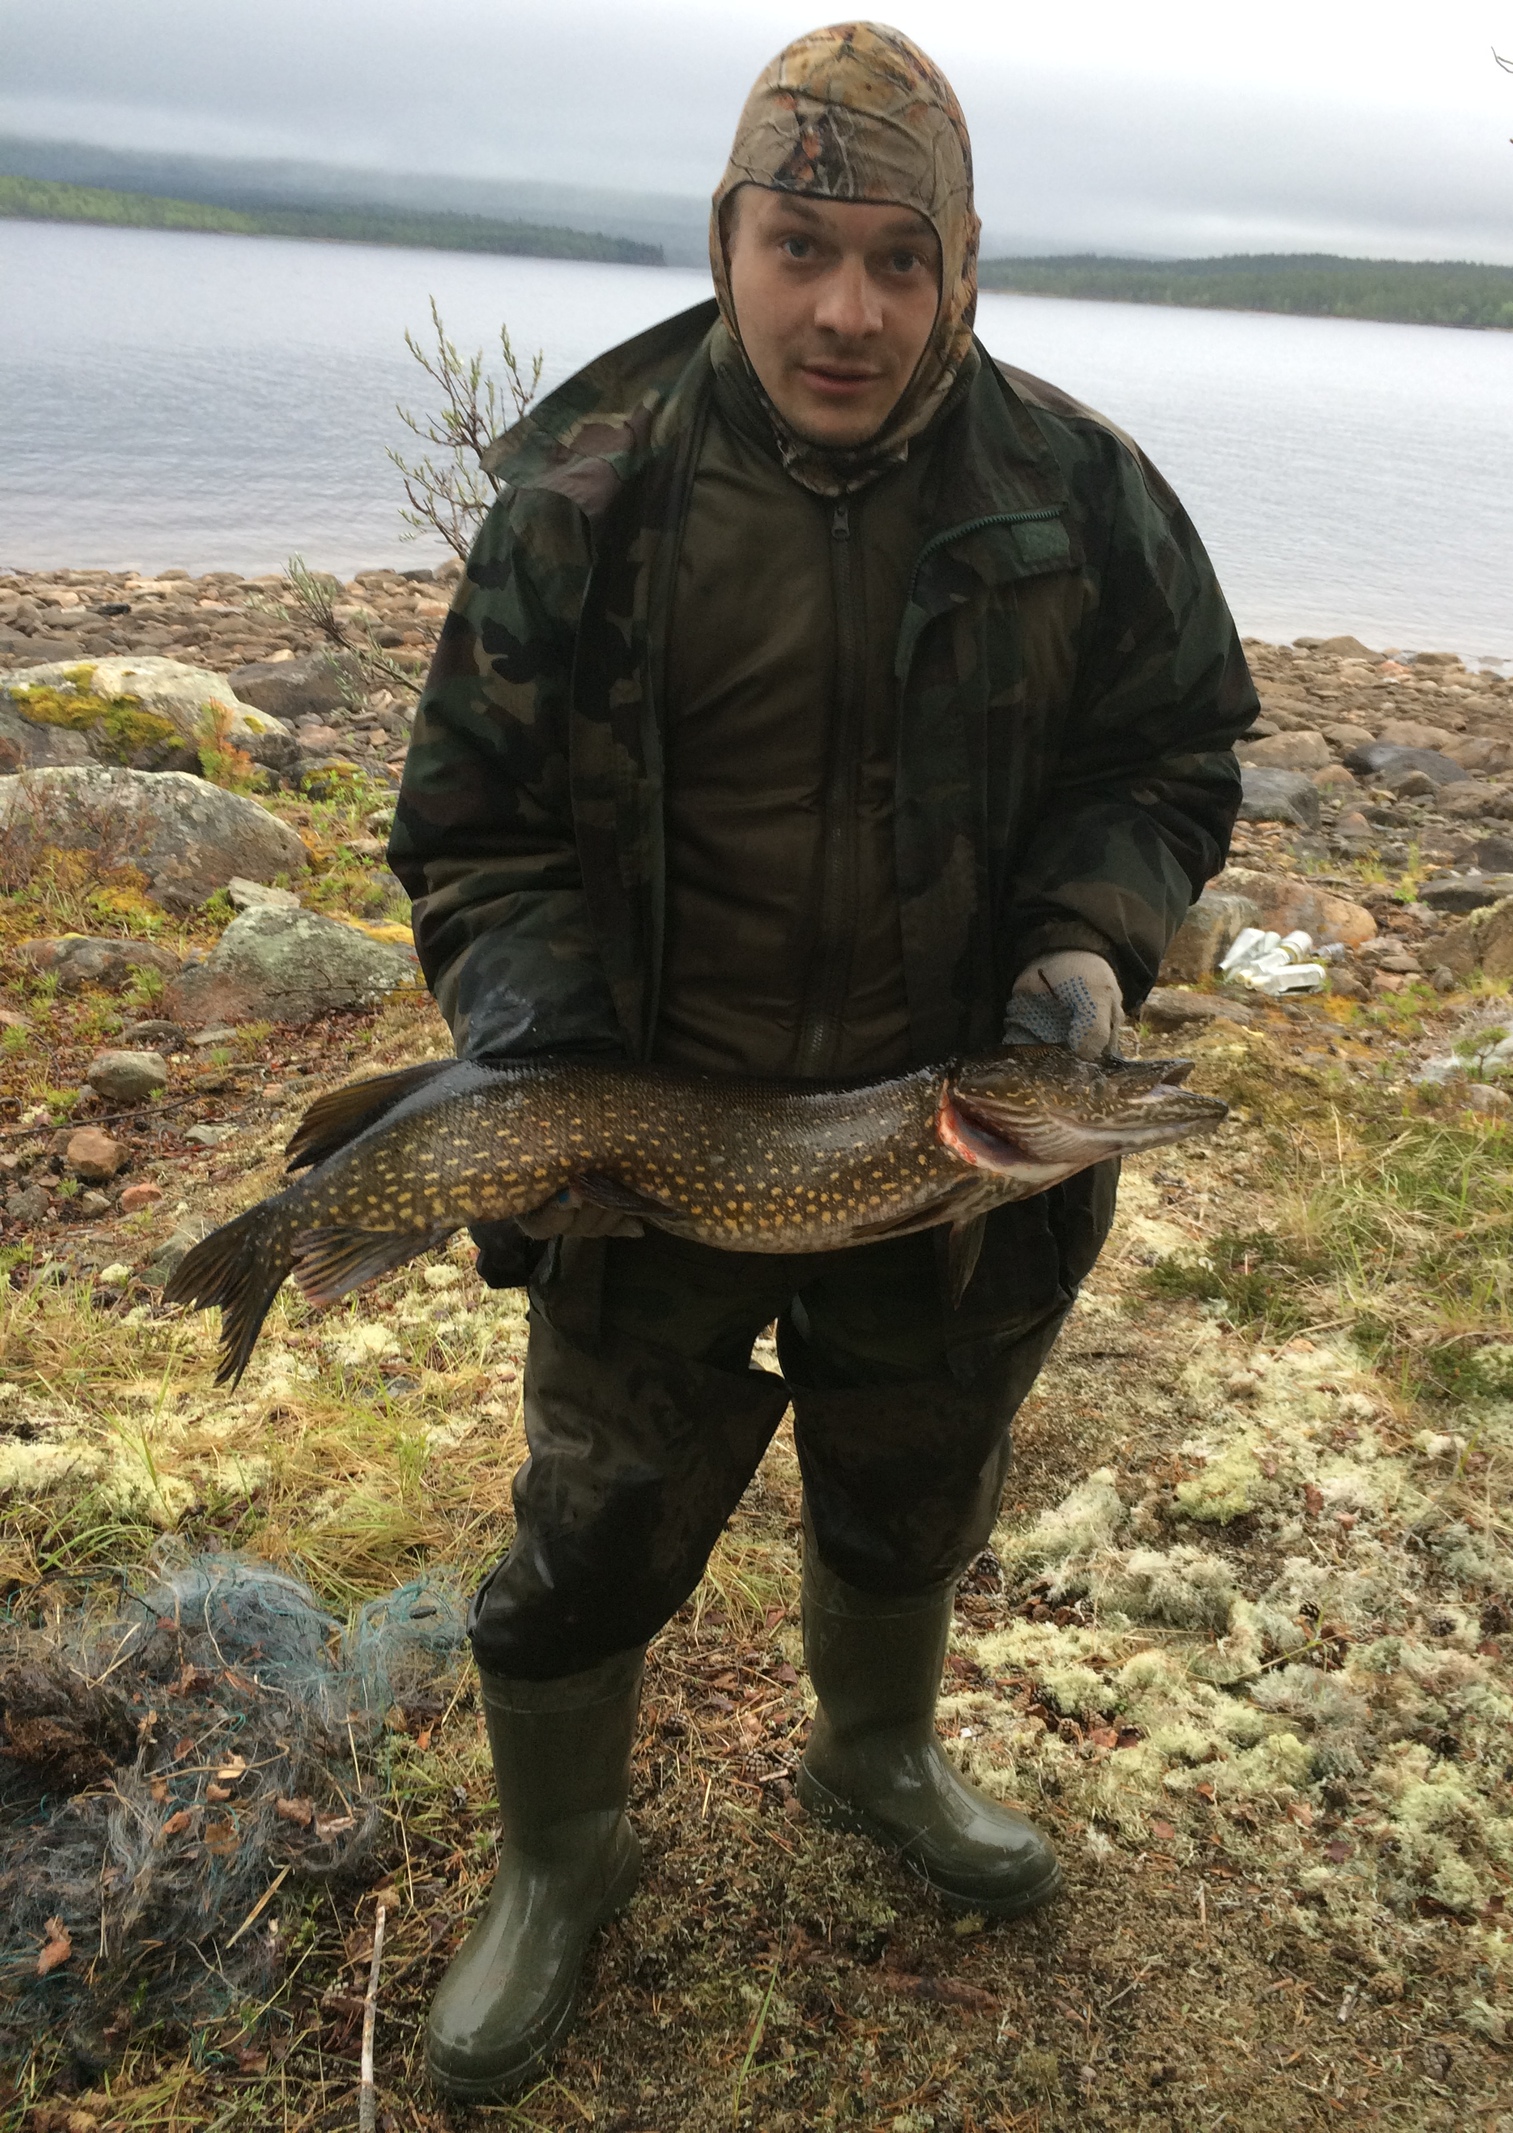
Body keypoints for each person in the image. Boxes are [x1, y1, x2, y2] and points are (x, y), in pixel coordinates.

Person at [387, 20, 1257, 2103]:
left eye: (897, 256)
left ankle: (874, 1749)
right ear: (728, 236)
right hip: (641, 1133)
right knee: (591, 1517)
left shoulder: (1079, 495)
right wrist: (541, 1054)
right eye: (799, 246)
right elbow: (471, 830)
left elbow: (1167, 757)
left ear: (962, 266)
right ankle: (556, 1858)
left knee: (910, 1482)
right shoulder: (582, 499)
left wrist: (1078, 948)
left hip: (948, 1138)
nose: (845, 308)